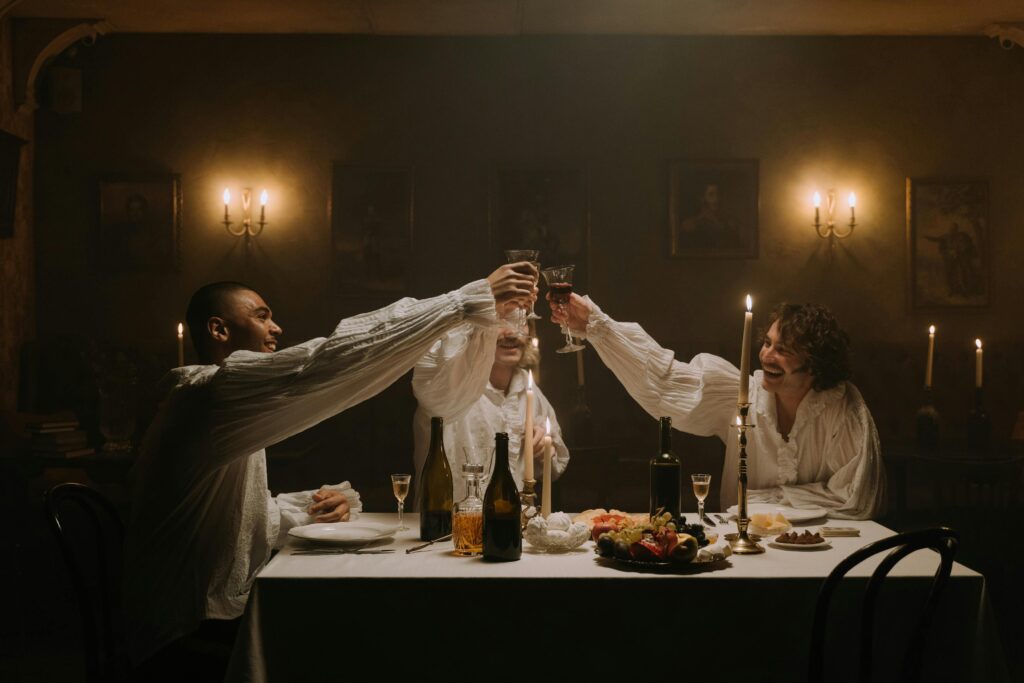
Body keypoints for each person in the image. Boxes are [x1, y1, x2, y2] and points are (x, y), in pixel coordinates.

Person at [123, 263, 537, 675]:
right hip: (181, 636)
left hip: (197, 620)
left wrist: (313, 509)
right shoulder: (210, 396)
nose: (277, 328)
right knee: (369, 643)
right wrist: (467, 299)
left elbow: (237, 519)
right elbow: (326, 360)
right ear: (219, 330)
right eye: (262, 316)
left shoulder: (215, 404)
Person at [550, 295, 885, 520]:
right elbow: (666, 382)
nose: (767, 355)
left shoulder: (842, 408)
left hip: (826, 545)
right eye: (767, 343)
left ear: (814, 364)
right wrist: (597, 325)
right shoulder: (741, 396)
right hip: (751, 544)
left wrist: (761, 501)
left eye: (783, 350)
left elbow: (856, 498)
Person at [412, 322, 569, 501]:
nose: (512, 333)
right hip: (452, 515)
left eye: (520, 321)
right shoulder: (452, 385)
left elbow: (554, 469)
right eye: (501, 321)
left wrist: (544, 448)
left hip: (512, 515)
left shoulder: (528, 386)